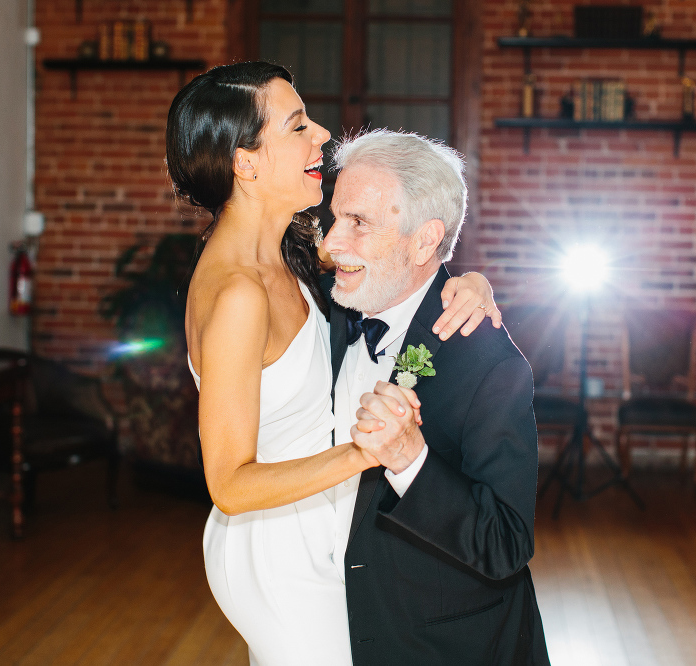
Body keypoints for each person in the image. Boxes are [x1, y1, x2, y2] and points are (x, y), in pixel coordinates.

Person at [165, 62, 500, 665]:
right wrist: (366, 451)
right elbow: (229, 483)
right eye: (298, 126)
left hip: (322, 528)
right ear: (247, 162)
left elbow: (397, 259)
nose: (322, 135)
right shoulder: (238, 293)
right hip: (272, 548)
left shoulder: (287, 250)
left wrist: (468, 282)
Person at [323, 130, 550, 665]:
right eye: (335, 218)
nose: (333, 242)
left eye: (359, 223)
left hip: (449, 647)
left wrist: (409, 459)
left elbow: (506, 545)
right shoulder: (334, 305)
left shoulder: (489, 364)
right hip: (335, 629)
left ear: (425, 241)